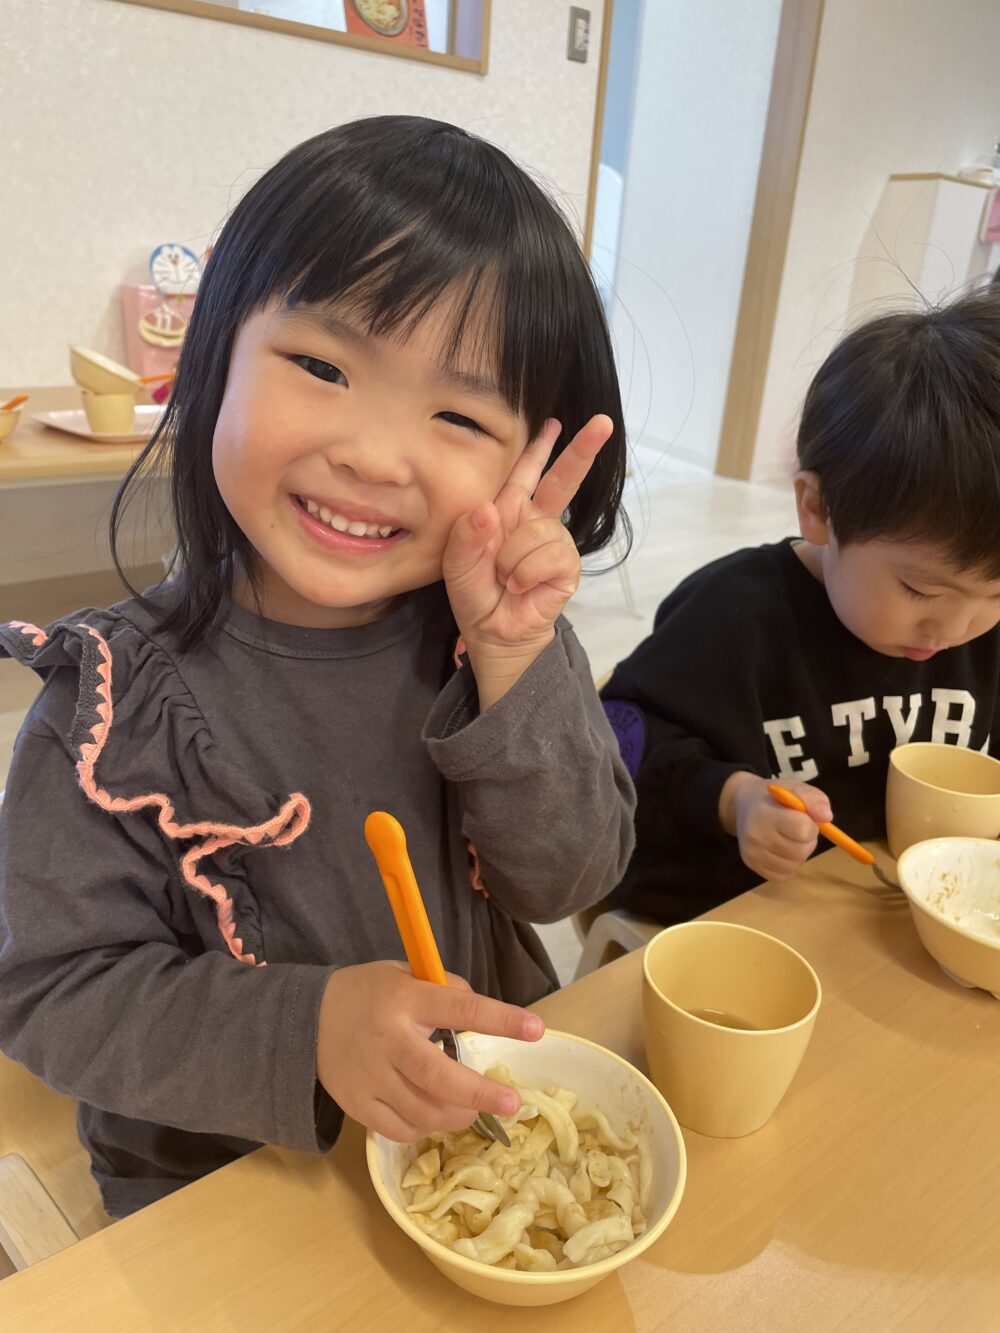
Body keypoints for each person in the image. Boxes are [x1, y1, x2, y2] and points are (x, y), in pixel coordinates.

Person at [0, 117, 635, 1217]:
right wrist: (308, 1027)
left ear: (527, 460)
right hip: (225, 1179)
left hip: (470, 1140)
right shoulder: (109, 706)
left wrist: (513, 657)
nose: (373, 455)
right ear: (214, 355)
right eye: (321, 366)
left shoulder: (492, 638)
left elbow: (570, 883)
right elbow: (47, 988)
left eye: (457, 414)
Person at [602, 288, 1000, 925]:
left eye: (997, 595)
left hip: (895, 917)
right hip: (728, 916)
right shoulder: (733, 618)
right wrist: (735, 800)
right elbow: (617, 745)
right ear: (818, 508)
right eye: (921, 590)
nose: (955, 628)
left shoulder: (983, 631)